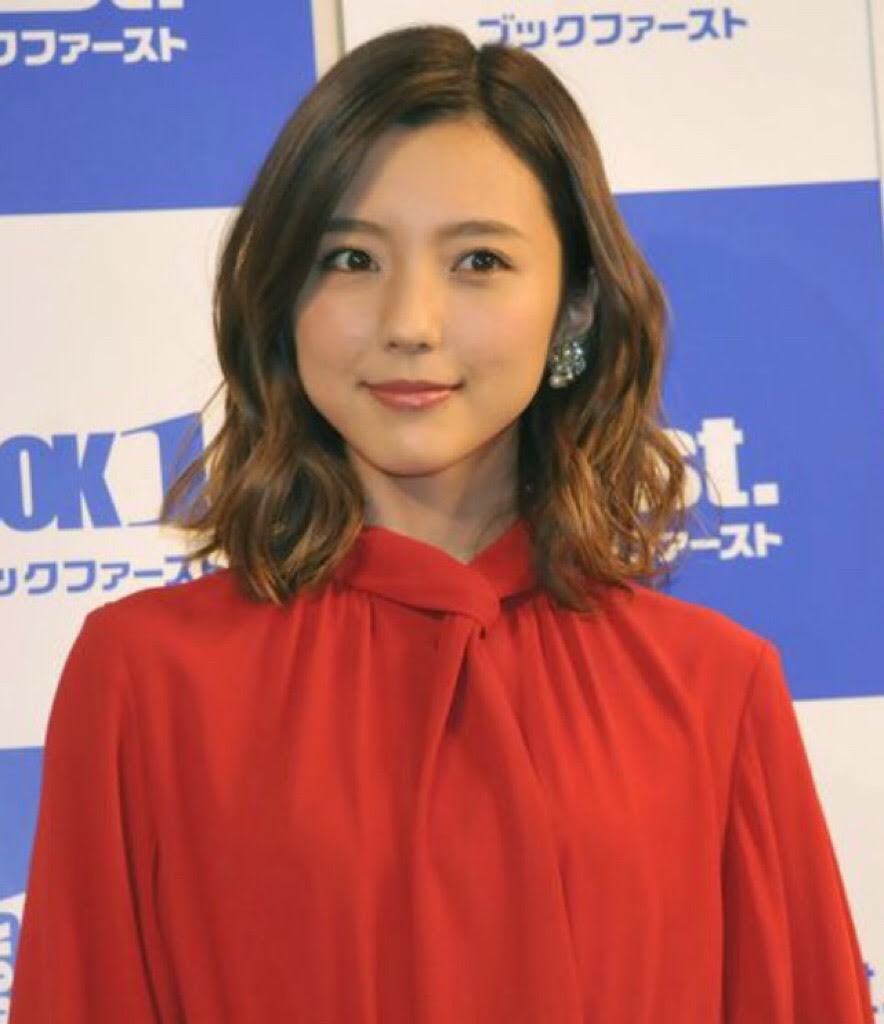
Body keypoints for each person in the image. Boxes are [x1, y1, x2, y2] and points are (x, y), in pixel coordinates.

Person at [10, 22, 873, 1024]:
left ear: (574, 308)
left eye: (477, 261)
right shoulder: (147, 680)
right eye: (350, 258)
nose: (409, 323)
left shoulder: (712, 690)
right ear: (281, 297)